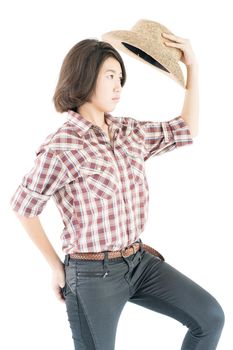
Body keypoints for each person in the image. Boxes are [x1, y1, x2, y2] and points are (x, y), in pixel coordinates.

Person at [9, 36, 224, 350]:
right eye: (110, 76)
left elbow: (186, 129)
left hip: (138, 263)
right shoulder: (63, 146)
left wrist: (193, 67)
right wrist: (57, 267)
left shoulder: (129, 131)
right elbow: (23, 206)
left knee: (209, 318)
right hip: (91, 276)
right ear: (84, 76)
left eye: (120, 78)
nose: (118, 85)